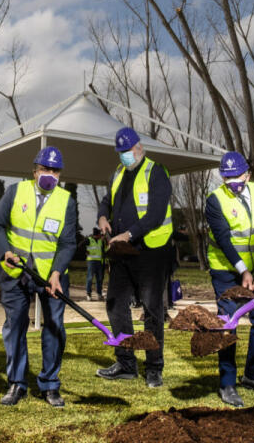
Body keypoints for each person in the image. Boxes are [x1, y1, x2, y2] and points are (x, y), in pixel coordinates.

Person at [0, 145, 76, 407]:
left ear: (60, 174)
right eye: (45, 169)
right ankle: (17, 383)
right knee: (15, 326)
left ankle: (50, 385)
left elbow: (68, 243)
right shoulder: (16, 192)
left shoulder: (66, 201)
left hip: (52, 277)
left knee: (54, 327)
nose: (50, 173)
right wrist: (5, 252)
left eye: (55, 170)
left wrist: (57, 273)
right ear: (35, 170)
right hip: (16, 272)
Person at [95, 126, 173, 388]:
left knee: (152, 309)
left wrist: (129, 234)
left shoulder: (156, 172)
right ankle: (126, 363)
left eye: (128, 151)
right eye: (121, 153)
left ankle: (154, 367)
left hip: (151, 251)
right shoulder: (118, 173)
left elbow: (156, 214)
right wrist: (103, 216)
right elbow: (107, 200)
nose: (125, 156)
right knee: (116, 304)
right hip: (121, 252)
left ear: (139, 147)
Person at [205, 151, 254, 407]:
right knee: (227, 324)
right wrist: (242, 270)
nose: (233, 181)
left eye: (238, 176)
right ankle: (227, 384)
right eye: (227, 177)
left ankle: (252, 375)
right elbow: (223, 239)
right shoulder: (214, 200)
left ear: (248, 174)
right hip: (226, 271)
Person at [86, 228, 105, 301]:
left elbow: (103, 251)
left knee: (99, 279)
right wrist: (85, 251)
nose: (101, 235)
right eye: (99, 234)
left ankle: (99, 294)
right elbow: (79, 245)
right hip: (91, 262)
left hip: (99, 262)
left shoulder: (100, 241)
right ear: (96, 235)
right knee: (90, 278)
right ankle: (88, 294)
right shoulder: (89, 240)